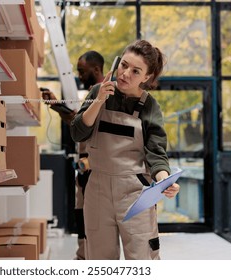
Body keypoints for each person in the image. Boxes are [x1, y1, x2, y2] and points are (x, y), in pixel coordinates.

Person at [70, 39, 180, 260]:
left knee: (141, 258)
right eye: (124, 65)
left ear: (146, 77)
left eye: (136, 71)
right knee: (100, 260)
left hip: (134, 194)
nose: (125, 73)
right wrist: (98, 101)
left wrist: (165, 180)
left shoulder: (150, 106)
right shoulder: (97, 91)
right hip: (97, 189)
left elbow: (155, 150)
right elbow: (78, 132)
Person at [41, 50, 105, 260]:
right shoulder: (91, 95)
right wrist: (56, 105)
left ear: (96, 69)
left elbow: (82, 122)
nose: (79, 76)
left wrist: (57, 106)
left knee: (93, 221)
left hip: (98, 172)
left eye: (82, 71)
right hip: (86, 171)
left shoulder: (104, 96)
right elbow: (78, 122)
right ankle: (82, 256)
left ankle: (90, 259)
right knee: (81, 216)